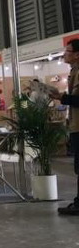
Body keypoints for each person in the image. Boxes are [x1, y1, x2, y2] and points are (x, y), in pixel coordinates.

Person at [51, 39, 79, 215]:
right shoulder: (74, 71)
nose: (64, 54)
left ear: (77, 54)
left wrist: (61, 97)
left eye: (68, 51)